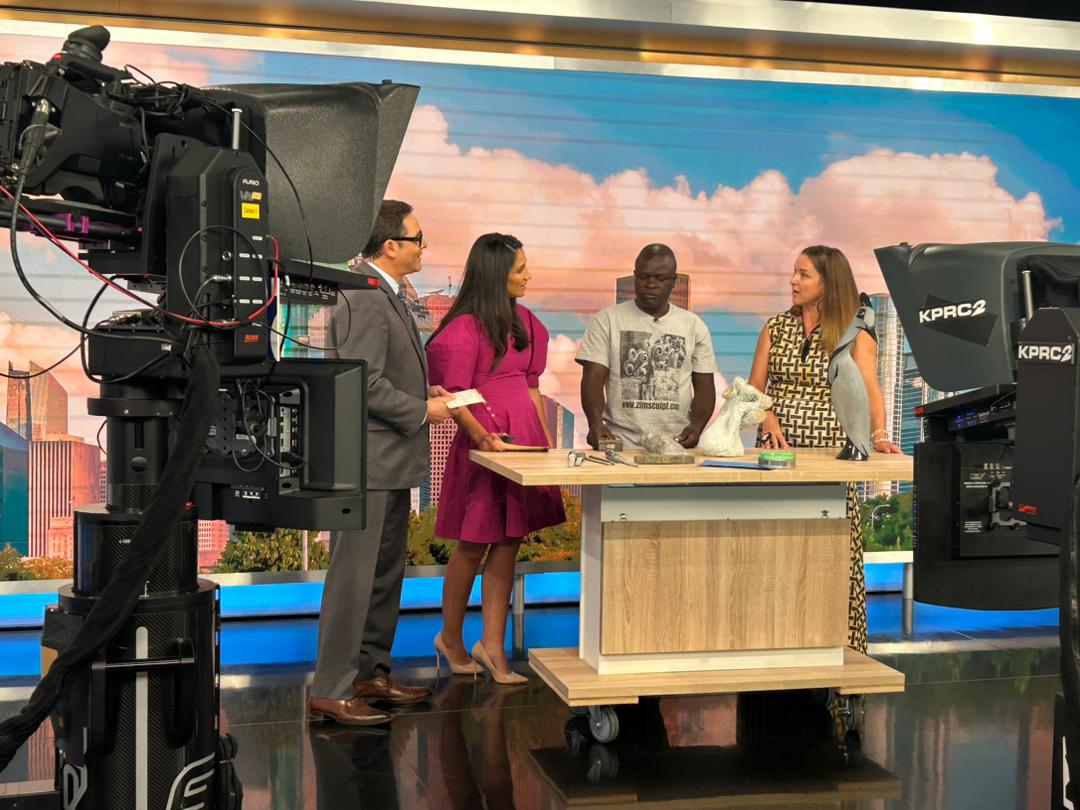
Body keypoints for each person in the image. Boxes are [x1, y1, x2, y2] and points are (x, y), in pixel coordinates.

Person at [309, 200, 454, 726]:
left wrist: (422, 392)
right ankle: (332, 688)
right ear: (390, 246)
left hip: (390, 462)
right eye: (417, 238)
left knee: (383, 576)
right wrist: (422, 410)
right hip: (368, 463)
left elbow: (380, 373)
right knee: (353, 580)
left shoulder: (386, 294)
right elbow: (362, 383)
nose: (423, 246)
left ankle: (371, 674)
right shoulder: (366, 297)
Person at [748, 244, 902, 656]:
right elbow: (755, 388)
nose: (793, 281)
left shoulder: (854, 331)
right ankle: (768, 641)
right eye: (794, 272)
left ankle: (831, 645)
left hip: (831, 454)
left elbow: (869, 389)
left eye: (804, 274)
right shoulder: (775, 327)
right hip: (776, 453)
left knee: (825, 549)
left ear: (828, 282)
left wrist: (879, 434)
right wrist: (767, 417)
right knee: (772, 546)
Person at [426, 233, 565, 684]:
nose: (528, 275)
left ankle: (492, 646)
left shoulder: (527, 322)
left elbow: (531, 388)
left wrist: (545, 445)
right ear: (495, 273)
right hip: (485, 447)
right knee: (473, 544)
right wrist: (483, 437)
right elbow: (454, 397)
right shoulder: (462, 329)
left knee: (509, 541)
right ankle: (450, 639)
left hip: (523, 441)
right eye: (520, 268)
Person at [577, 244, 716, 449]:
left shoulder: (694, 325)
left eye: (660, 279)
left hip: (677, 445)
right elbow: (593, 380)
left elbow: (704, 386)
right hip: (619, 445)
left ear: (673, 281)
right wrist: (595, 423)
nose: (650, 284)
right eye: (643, 277)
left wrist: (697, 426)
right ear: (635, 276)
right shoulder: (606, 320)